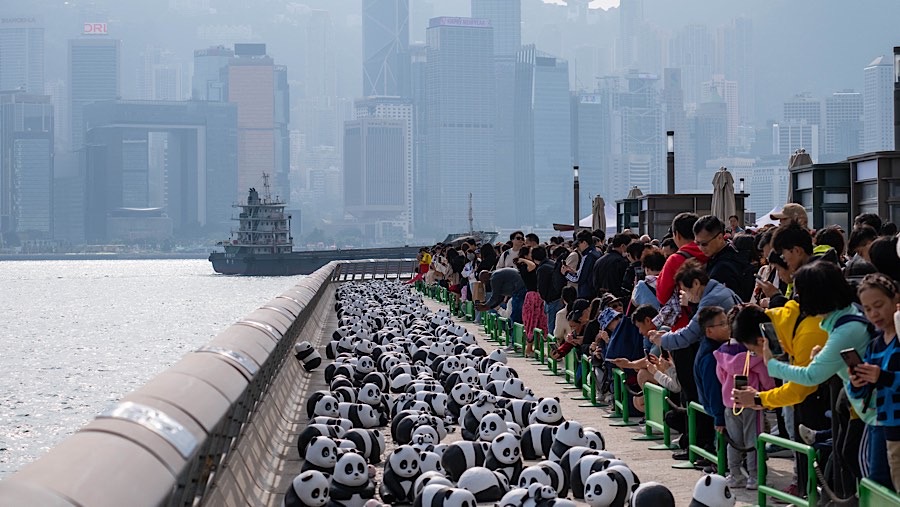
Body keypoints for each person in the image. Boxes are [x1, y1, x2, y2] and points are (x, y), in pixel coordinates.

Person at [746, 261, 875, 496]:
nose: (797, 297)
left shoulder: (844, 329)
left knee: (860, 469)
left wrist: (773, 366)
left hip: (871, 412)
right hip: (858, 406)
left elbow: (810, 376)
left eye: (800, 292)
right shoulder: (839, 319)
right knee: (845, 459)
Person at [848, 273, 900, 490]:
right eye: (867, 309)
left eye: (879, 305)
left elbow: (885, 378)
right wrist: (857, 382)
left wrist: (882, 376)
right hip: (889, 424)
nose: (874, 313)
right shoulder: (874, 345)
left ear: (895, 300)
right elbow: (864, 391)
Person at [714, 306, 774, 490]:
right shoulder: (753, 352)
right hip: (752, 402)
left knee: (733, 441)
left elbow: (720, 376)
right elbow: (765, 375)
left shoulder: (722, 352)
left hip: (730, 402)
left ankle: (735, 475)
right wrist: (769, 391)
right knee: (753, 439)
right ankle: (754, 477)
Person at [693, 215, 756, 302]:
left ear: (719, 238)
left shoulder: (723, 267)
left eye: (704, 244)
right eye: (697, 243)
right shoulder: (732, 253)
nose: (700, 248)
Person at [516, 246, 547, 357]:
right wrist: (522, 259)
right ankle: (529, 349)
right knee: (532, 321)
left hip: (537, 295)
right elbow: (533, 266)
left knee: (539, 321)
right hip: (532, 295)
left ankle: (536, 348)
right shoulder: (525, 266)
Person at [591, 233, 632, 299]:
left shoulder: (599, 260)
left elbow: (595, 282)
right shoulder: (621, 262)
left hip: (602, 298)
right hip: (618, 299)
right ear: (623, 246)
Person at [573, 230, 602, 299]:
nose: (578, 247)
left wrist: (566, 273)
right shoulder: (597, 253)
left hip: (586, 293)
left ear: (584, 243)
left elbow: (579, 278)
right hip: (595, 291)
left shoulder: (587, 256)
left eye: (578, 244)